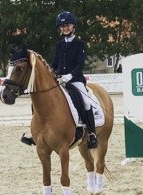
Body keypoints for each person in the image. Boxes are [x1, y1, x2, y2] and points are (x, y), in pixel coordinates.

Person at [51, 11, 98, 149]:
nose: (65, 28)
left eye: (67, 25)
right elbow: (54, 64)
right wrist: (54, 74)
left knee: (86, 102)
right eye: (62, 26)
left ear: (73, 26)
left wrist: (70, 76)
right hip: (60, 80)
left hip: (75, 80)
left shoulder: (80, 44)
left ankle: (92, 134)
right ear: (60, 28)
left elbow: (80, 65)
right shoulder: (59, 45)